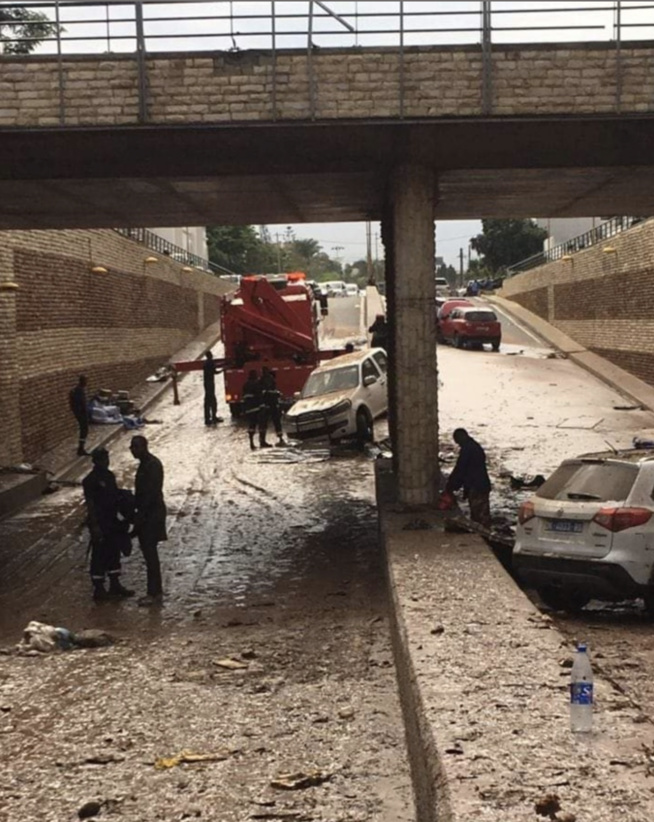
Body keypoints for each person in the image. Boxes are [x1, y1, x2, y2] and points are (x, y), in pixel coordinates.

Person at [82, 448, 134, 601]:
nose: (105, 461)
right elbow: (90, 505)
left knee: (114, 552)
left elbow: (115, 497)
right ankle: (99, 588)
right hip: (100, 522)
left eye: (106, 458)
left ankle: (115, 584)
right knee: (99, 554)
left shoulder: (109, 476)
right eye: (102, 459)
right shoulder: (90, 481)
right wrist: (95, 526)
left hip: (112, 521)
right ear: (95, 461)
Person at [129, 435, 167, 606]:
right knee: (149, 553)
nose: (133, 450)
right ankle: (154, 591)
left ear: (144, 447)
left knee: (150, 553)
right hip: (149, 512)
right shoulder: (147, 464)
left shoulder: (152, 465)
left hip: (152, 514)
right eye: (132, 447)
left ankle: (154, 592)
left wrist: (140, 516)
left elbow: (150, 493)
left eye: (136, 447)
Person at [445, 428, 492, 531]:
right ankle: (486, 532)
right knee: (484, 514)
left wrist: (451, 486)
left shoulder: (467, 450)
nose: (458, 444)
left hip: (476, 486)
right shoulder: (475, 447)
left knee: (477, 514)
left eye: (457, 441)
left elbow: (461, 469)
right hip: (482, 484)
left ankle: (482, 533)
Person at [242, 369, 269, 450]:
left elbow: (244, 396)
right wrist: (263, 406)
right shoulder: (256, 384)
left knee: (251, 426)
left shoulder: (245, 385)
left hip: (249, 409)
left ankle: (251, 443)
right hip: (257, 408)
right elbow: (259, 396)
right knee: (262, 425)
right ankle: (262, 441)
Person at [260, 366, 285, 446]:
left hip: (268, 404)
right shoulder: (268, 379)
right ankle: (279, 438)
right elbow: (269, 391)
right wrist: (277, 394)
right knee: (275, 421)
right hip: (271, 404)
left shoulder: (261, 380)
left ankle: (263, 440)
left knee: (266, 423)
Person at [69, 375, 90, 456]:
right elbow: (82, 404)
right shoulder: (79, 391)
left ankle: (81, 448)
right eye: (85, 381)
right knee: (84, 430)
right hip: (81, 414)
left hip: (79, 413)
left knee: (84, 430)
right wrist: (84, 413)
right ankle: (80, 449)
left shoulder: (76, 390)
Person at [203, 350, 224, 426]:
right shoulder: (210, 362)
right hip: (210, 383)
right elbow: (215, 371)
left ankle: (207, 418)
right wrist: (222, 370)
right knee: (212, 400)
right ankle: (213, 417)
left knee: (207, 401)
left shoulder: (205, 363)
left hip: (206, 383)